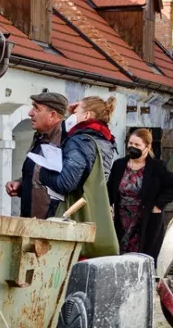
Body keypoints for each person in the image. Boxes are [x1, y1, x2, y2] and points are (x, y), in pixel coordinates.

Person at [36, 95, 120, 256]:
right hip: (92, 210)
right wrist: (70, 116)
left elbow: (65, 183)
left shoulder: (80, 141)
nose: (72, 115)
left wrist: (43, 172)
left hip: (73, 216)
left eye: (77, 111)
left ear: (87, 115)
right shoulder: (104, 140)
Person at [107, 126, 173, 257]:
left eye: (137, 144)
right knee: (119, 256)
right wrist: (108, 206)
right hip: (121, 221)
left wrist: (158, 204)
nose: (133, 147)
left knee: (141, 258)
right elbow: (110, 189)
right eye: (130, 143)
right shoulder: (119, 165)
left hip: (145, 222)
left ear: (147, 148)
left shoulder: (156, 167)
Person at [5, 91, 68, 218]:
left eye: (37, 109)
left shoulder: (67, 142)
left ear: (52, 115)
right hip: (31, 222)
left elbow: (65, 184)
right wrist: (21, 184)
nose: (30, 113)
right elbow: (39, 177)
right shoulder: (40, 138)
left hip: (51, 225)